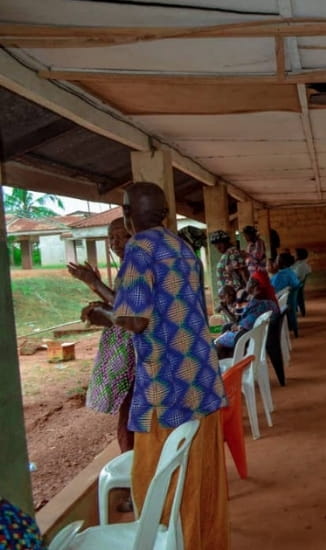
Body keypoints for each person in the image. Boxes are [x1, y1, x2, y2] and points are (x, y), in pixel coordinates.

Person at [87, 181, 229, 550]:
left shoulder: (139, 248)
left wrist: (102, 314)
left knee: (157, 481)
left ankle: (172, 543)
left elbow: (135, 320)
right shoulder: (181, 247)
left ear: (127, 215)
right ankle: (204, 541)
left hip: (165, 389)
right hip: (200, 377)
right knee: (200, 474)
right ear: (165, 213)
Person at [69, 218, 136, 454]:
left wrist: (95, 283)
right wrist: (98, 296)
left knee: (129, 412)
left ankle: (132, 464)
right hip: (126, 345)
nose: (115, 243)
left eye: (122, 236)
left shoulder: (137, 266)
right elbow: (120, 302)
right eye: (111, 238)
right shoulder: (128, 265)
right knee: (127, 410)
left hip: (134, 351)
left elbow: (128, 310)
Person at [214, 276, 276, 359]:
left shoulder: (256, 305)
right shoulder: (266, 303)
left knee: (217, 344)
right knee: (223, 337)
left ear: (254, 289)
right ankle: (232, 358)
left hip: (248, 336)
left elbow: (247, 322)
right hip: (254, 333)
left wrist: (239, 326)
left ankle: (232, 361)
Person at [292, 248, 312, 316]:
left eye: (295, 254)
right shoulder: (299, 263)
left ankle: (293, 310)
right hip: (297, 283)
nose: (293, 255)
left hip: (297, 285)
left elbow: (294, 276)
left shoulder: (301, 266)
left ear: (299, 256)